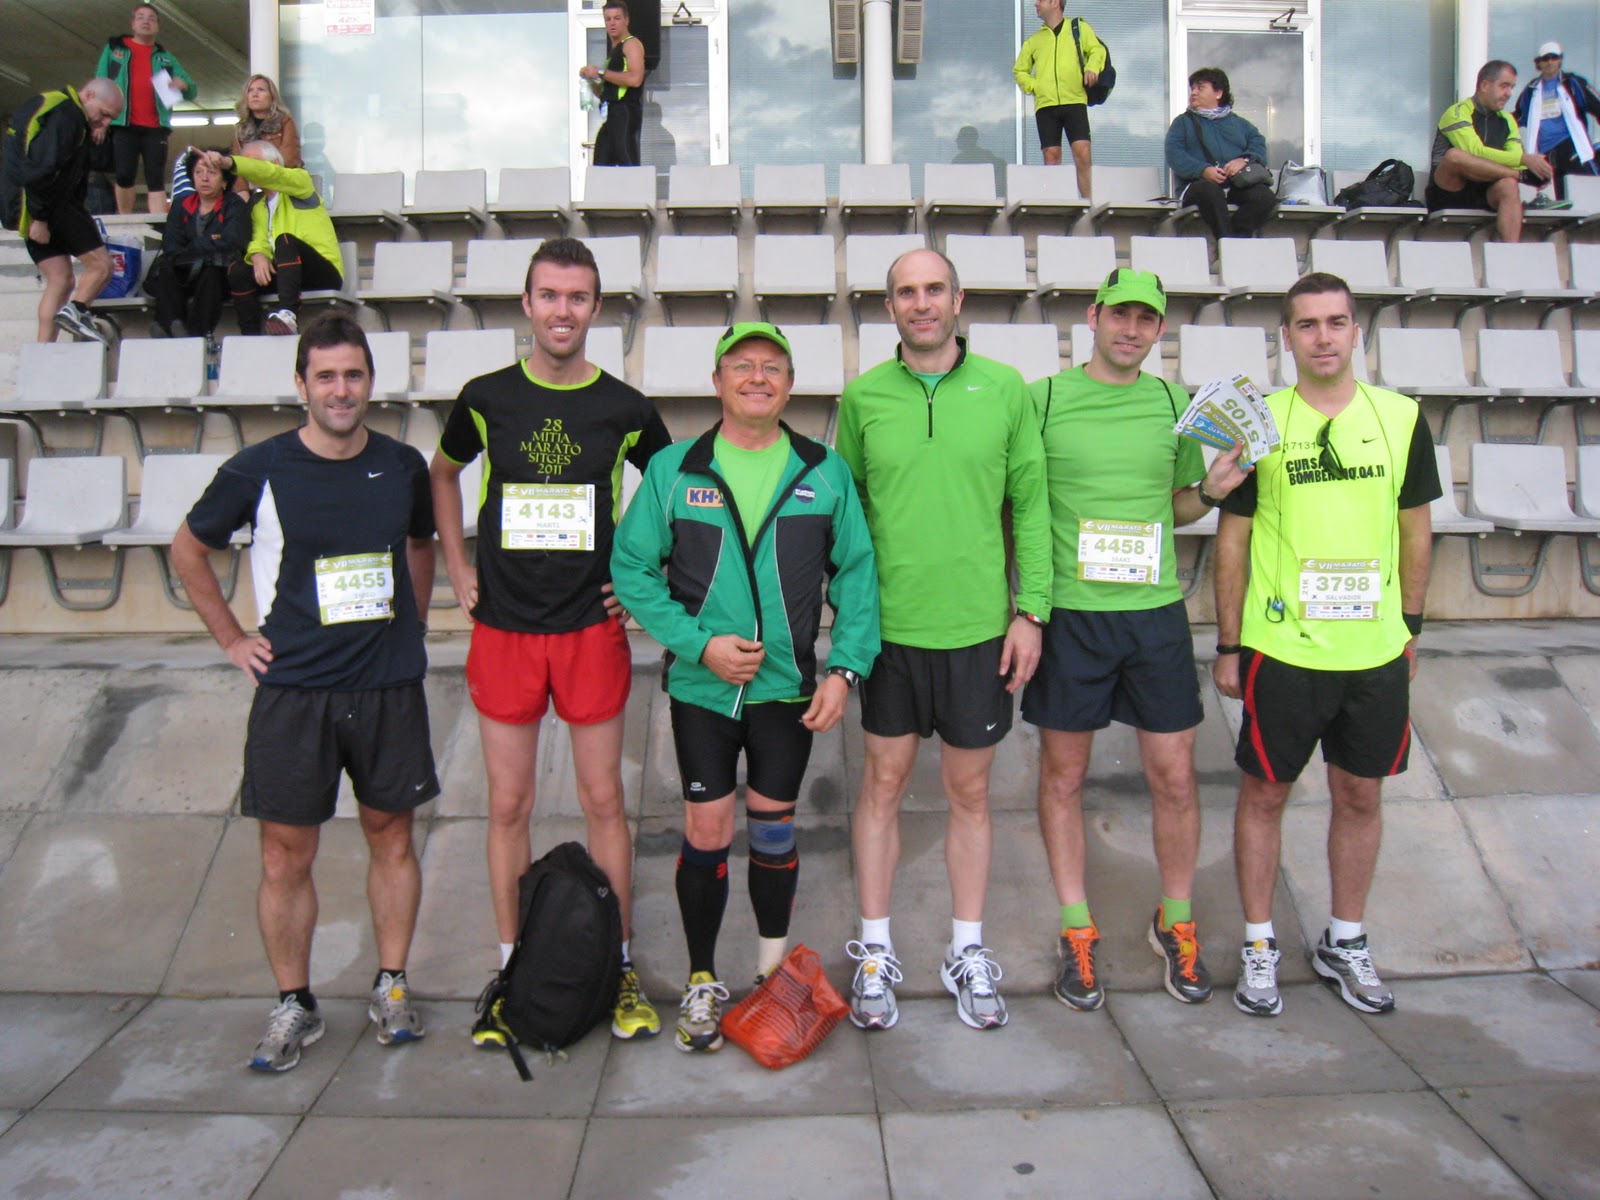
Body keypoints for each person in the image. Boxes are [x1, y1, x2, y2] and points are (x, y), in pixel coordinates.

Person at [169, 313, 439, 1071]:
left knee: (393, 838)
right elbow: (187, 549)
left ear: (371, 382)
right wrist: (232, 638)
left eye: (353, 375)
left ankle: (391, 985)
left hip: (386, 687)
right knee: (285, 857)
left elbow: (421, 542)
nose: (340, 390)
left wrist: (413, 626)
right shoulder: (258, 469)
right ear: (301, 385)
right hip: (295, 693)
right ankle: (295, 1003)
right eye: (326, 376)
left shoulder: (403, 465)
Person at [429, 237, 672, 1049]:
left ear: (596, 308)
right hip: (505, 628)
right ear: (527, 304)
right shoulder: (485, 398)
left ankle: (620, 965)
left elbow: (673, 490)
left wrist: (640, 578)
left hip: (589, 629)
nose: (562, 311)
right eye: (549, 295)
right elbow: (441, 473)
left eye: (577, 297)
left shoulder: (625, 408)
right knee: (509, 805)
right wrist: (458, 565)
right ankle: (512, 970)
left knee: (605, 802)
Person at [612, 322, 881, 1053]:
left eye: (772, 367)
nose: (756, 377)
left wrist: (845, 670)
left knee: (773, 830)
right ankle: (702, 981)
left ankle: (771, 978)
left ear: (790, 385)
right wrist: (700, 644)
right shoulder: (675, 469)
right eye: (742, 365)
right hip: (703, 692)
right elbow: (632, 568)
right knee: (707, 830)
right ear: (717, 381)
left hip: (786, 693)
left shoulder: (824, 471)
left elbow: (857, 576)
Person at [1212, 273, 1440, 1020]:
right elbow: (1233, 540)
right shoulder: (1262, 423)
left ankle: (1345, 940)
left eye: (1336, 322)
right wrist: (1228, 643)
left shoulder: (1401, 417)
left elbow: (1415, 530)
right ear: (1286, 337)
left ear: (1355, 331)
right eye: (1306, 324)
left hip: (1373, 652)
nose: (1323, 337)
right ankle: (1259, 944)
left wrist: (1409, 626)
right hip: (1282, 649)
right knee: (1264, 794)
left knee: (1361, 795)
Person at [836, 248, 1052, 1032]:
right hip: (891, 633)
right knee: (882, 787)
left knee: (970, 794)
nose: (921, 303)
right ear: (889, 307)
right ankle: (873, 950)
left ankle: (966, 949)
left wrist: (1032, 611)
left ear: (958, 299)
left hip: (976, 633)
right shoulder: (863, 398)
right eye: (906, 292)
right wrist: (850, 627)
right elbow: (846, 516)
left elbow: (1031, 503)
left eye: (934, 289)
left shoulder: (1005, 390)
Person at [1024, 269, 1251, 1013]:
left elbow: (1177, 507)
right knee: (1063, 776)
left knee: (1176, 777)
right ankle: (1076, 927)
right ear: (1093, 317)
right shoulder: (1042, 400)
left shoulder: (1174, 404)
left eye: (1146, 319)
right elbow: (1019, 505)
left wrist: (1211, 492)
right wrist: (1024, 606)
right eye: (1119, 315)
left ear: (1159, 330)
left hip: (1154, 615)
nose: (1131, 329)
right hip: (1072, 617)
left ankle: (1175, 921)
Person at [1, 78, 124, 344]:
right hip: (47, 204)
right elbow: (42, 169)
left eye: (110, 119)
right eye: (103, 114)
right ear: (88, 95)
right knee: (102, 266)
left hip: (22, 206)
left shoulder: (48, 105)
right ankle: (76, 311)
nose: (104, 122)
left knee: (61, 280)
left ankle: (43, 351)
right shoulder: (68, 115)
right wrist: (40, 217)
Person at [206, 143, 342, 336]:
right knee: (238, 270)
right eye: (245, 163)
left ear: (276, 163)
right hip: (286, 274)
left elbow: (273, 175)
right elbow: (258, 238)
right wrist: (257, 255)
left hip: (322, 271)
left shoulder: (300, 182)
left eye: (254, 162)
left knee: (284, 241)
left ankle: (288, 315)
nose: (249, 168)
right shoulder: (257, 204)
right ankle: (250, 335)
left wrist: (230, 162)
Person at [1428, 60, 1552, 244]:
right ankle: (1520, 177)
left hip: (1487, 190)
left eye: (1512, 87)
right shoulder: (1457, 112)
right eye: (1504, 86)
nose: (1509, 93)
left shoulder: (1508, 120)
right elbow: (1475, 151)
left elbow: (1515, 157)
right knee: (1455, 156)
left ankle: (1510, 252)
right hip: (1450, 191)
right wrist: (1523, 165)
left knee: (1509, 185)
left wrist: (1533, 166)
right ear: (1485, 85)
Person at [95, 3, 196, 214]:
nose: (146, 22)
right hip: (123, 123)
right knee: (124, 174)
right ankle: (125, 221)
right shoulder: (115, 50)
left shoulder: (165, 57)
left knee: (156, 177)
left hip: (156, 126)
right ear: (132, 23)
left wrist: (183, 85)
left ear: (158, 26)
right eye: (140, 17)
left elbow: (191, 90)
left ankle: (158, 222)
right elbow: (100, 84)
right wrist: (100, 121)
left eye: (151, 18)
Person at [1166, 67, 1277, 244]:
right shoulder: (1182, 123)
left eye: (1200, 88)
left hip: (1236, 185)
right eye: (1192, 88)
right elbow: (1174, 154)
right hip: (1197, 186)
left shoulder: (1241, 124)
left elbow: (1258, 144)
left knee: (1264, 197)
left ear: (1218, 93)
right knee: (1210, 191)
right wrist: (1203, 170)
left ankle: (1237, 240)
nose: (1193, 93)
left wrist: (1244, 160)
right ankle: (1226, 243)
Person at [147, 148, 249, 339]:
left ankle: (195, 335)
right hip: (187, 270)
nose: (204, 178)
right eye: (198, 172)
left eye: (212, 173)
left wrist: (193, 247)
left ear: (225, 180)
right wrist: (210, 241)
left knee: (212, 273)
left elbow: (233, 241)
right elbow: (171, 245)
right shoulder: (180, 205)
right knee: (168, 270)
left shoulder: (234, 205)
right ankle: (170, 326)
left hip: (219, 272)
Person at [1013, 0, 1106, 201]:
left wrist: (1092, 68)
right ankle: (1055, 204)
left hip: (1074, 100)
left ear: (1055, 2)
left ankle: (1088, 204)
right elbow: (1019, 71)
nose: (1035, 4)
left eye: (1040, 0)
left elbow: (1097, 50)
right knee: (1051, 155)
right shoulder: (1034, 41)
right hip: (1046, 106)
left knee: (1082, 153)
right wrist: (1036, 86)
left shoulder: (1079, 28)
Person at [1513, 42, 1600, 201]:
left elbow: (1596, 105)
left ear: (1560, 59)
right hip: (1544, 152)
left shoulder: (1573, 83)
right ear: (1539, 62)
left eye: (1554, 57)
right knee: (1560, 197)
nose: (1550, 62)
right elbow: (1519, 116)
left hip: (1570, 145)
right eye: (1546, 58)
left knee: (1590, 182)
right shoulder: (1531, 89)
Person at [581, 1, 646, 167]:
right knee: (601, 164)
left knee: (628, 165)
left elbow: (635, 79)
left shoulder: (631, 44)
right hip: (611, 114)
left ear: (626, 20)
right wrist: (590, 78)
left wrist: (600, 72)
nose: (612, 23)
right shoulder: (613, 52)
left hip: (625, 112)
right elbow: (604, 92)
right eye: (608, 19)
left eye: (617, 18)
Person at [230, 75, 302, 169]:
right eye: (250, 90)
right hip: (249, 177)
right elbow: (236, 165)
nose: (255, 94)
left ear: (272, 96)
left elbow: (289, 161)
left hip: (278, 175)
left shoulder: (285, 122)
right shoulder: (241, 128)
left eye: (261, 90)